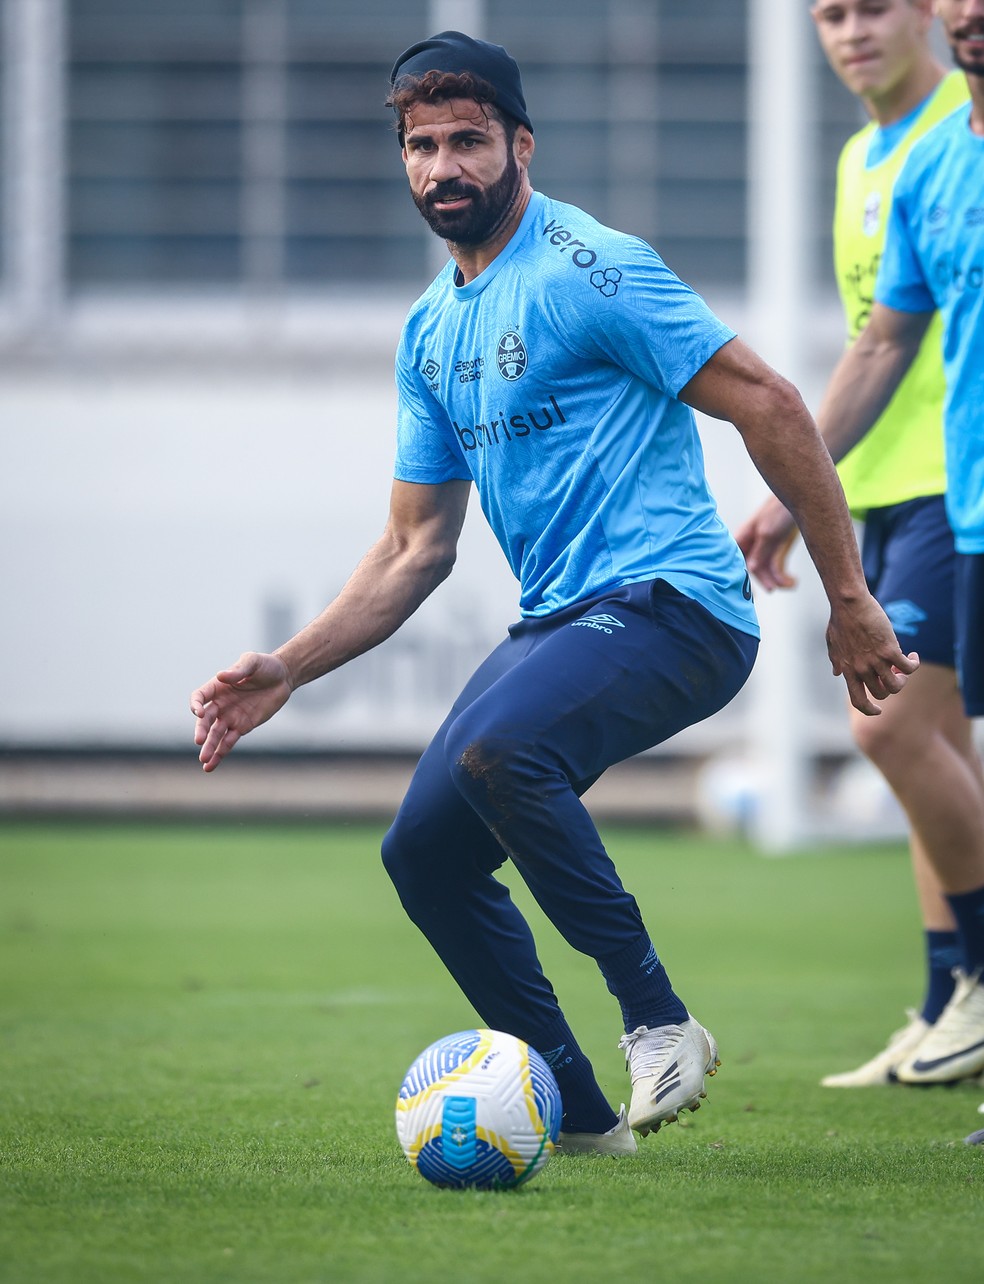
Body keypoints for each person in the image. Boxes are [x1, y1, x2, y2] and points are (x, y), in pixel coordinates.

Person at [190, 31, 915, 1155]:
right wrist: (288, 666)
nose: (444, 169)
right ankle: (578, 1122)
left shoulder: (592, 268)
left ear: (521, 144)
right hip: (563, 620)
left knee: (499, 752)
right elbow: (412, 547)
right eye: (421, 147)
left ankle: (658, 1016)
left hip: (678, 607)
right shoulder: (433, 331)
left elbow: (769, 402)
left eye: (469, 142)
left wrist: (848, 595)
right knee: (422, 856)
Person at [740, 0, 984, 1088]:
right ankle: (949, 999)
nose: (851, 31)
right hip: (886, 489)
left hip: (944, 480)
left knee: (892, 730)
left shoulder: (952, 126)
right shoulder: (870, 159)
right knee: (937, 752)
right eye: (830, 13)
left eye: (873, 6)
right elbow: (880, 335)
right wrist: (809, 487)